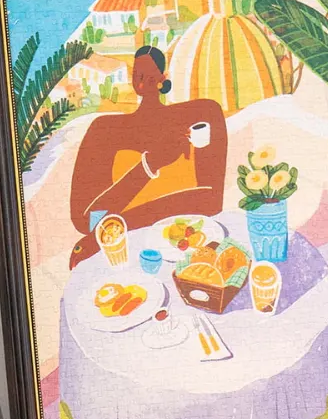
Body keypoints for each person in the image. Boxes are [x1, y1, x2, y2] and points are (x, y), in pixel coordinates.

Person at [68, 45, 227, 268]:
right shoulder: (104, 131)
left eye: (150, 74)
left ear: (163, 78)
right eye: (137, 73)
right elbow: (88, 221)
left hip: (191, 244)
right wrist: (149, 165)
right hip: (128, 251)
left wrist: (118, 224)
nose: (142, 80)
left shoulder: (202, 116)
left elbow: (210, 202)